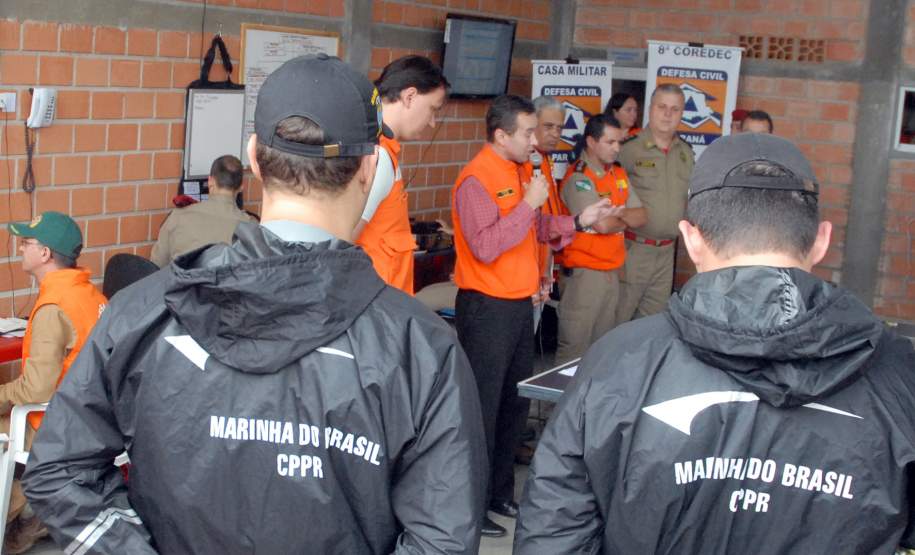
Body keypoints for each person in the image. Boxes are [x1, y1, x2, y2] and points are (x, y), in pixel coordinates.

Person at [23, 54, 486, 554]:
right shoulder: (421, 347)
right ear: (371, 168)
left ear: (254, 159)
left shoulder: (144, 312)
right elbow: (443, 538)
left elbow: (59, 471)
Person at [514, 133, 915, 554]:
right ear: (821, 240)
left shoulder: (618, 362)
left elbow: (553, 535)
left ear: (691, 239)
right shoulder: (898, 374)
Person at [452, 94, 621, 538]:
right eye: (527, 132)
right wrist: (528, 203)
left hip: (518, 304)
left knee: (514, 405)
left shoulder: (522, 171)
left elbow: (537, 229)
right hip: (486, 307)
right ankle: (471, 507)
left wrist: (580, 221)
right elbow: (485, 245)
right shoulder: (476, 179)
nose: (535, 140)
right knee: (483, 410)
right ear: (500, 135)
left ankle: (500, 493)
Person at [3, 211, 106, 554]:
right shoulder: (93, 296)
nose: (20, 248)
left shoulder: (53, 306)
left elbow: (36, 390)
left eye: (26, 243)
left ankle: (20, 513)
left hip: (55, 423)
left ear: (44, 253)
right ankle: (33, 514)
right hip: (93, 420)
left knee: (6, 424)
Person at [554, 114, 647, 364]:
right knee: (574, 351)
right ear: (591, 142)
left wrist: (618, 215)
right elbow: (602, 225)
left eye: (619, 142)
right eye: (610, 142)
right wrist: (622, 217)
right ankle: (562, 393)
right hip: (584, 275)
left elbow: (642, 216)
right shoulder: (580, 178)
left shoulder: (618, 173)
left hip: (611, 272)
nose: (617, 148)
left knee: (601, 350)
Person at [355, 55, 449, 294]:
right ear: (410, 96)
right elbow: (343, 238)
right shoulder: (378, 157)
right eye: (432, 109)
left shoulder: (378, 148)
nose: (432, 122)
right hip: (374, 304)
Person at [615, 84, 695, 324]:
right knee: (617, 323)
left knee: (652, 326)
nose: (668, 114)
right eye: (662, 107)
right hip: (632, 249)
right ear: (650, 109)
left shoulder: (685, 152)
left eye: (675, 109)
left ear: (682, 114)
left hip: (667, 253)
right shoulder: (628, 148)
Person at [150, 154, 254, 267]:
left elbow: (156, 266)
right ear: (241, 187)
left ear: (210, 181)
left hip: (184, 278)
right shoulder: (251, 228)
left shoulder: (178, 217)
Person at [531, 95, 566, 315]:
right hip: (526, 270)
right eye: (548, 126)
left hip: (543, 265)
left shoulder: (544, 159)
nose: (555, 133)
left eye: (559, 128)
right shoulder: (525, 160)